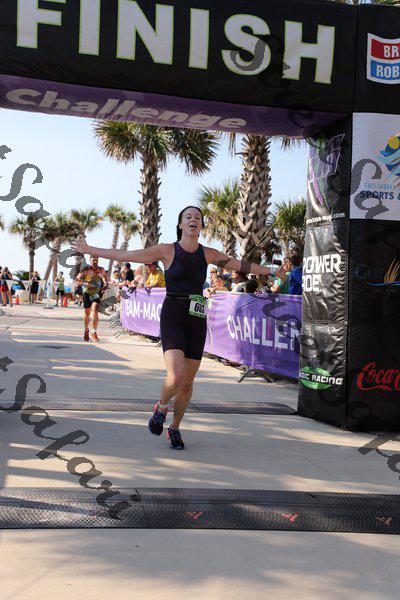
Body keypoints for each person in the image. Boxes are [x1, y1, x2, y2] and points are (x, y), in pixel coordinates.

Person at [72, 206, 286, 450]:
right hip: (173, 313)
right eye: (188, 217)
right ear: (180, 225)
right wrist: (90, 250)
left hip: (196, 317)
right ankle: (161, 407)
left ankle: (174, 428)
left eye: (198, 217)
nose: (193, 220)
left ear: (201, 226)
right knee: (176, 376)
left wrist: (271, 270)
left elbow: (241, 265)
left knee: (187, 382)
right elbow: (127, 254)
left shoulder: (208, 253)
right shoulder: (166, 250)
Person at [75, 256, 109, 342]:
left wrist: (106, 283)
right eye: (93, 259)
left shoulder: (101, 269)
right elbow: (77, 280)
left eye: (96, 259)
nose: (95, 261)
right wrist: (85, 283)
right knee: (87, 312)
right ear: (90, 260)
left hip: (96, 293)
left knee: (95, 310)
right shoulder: (86, 269)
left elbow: (105, 277)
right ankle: (86, 330)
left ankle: (94, 332)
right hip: (87, 293)